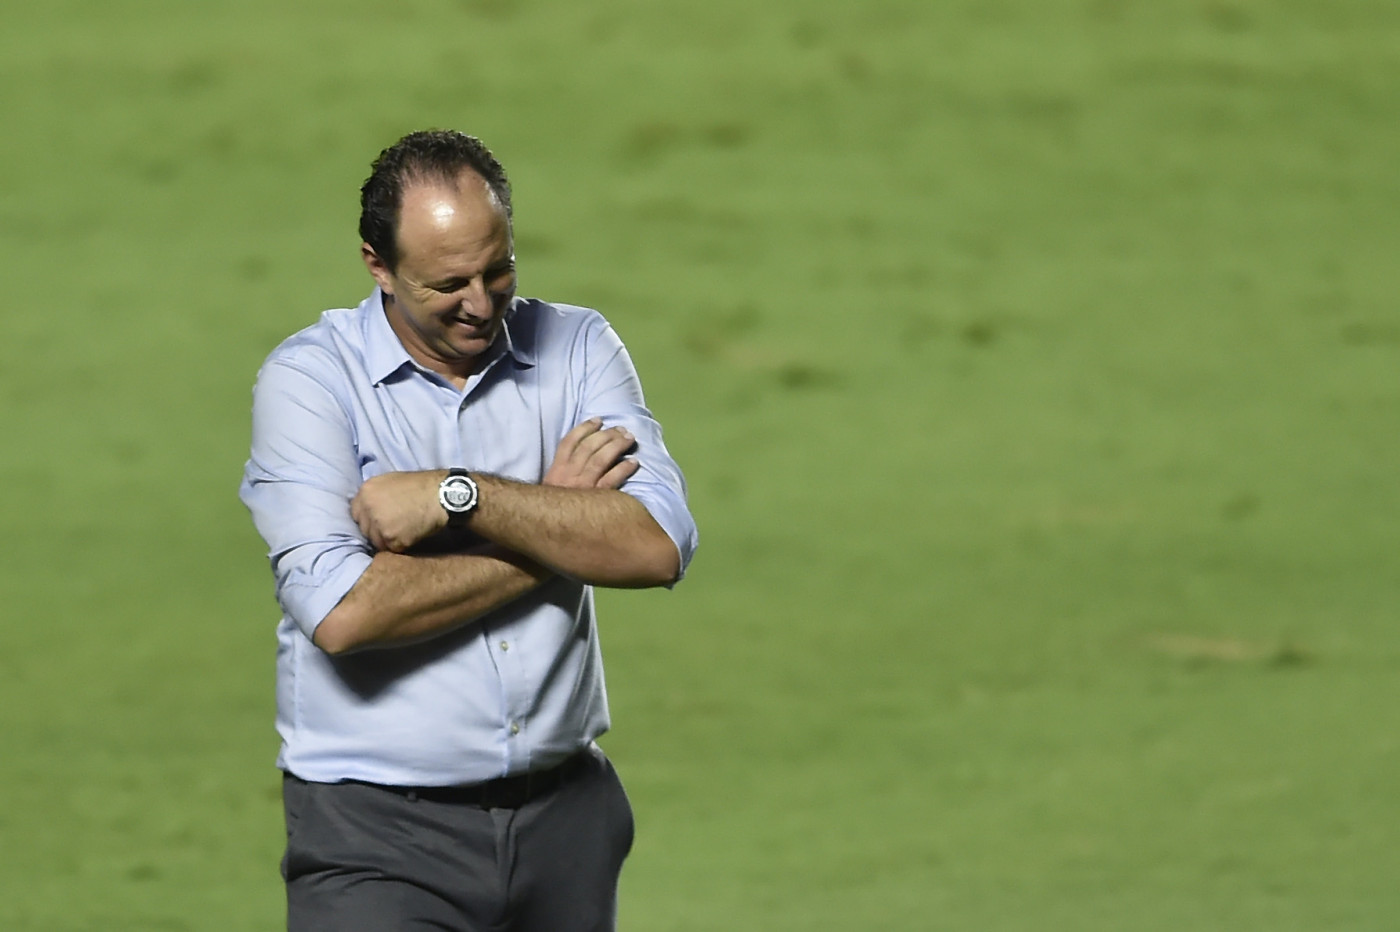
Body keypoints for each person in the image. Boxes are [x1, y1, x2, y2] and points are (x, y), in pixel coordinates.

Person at [239, 129, 698, 931]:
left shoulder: (579, 346)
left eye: (498, 270)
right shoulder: (310, 383)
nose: (481, 304)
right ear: (377, 266)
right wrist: (555, 524)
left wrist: (462, 499)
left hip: (567, 823)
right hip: (375, 836)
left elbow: (654, 546)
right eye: (448, 282)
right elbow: (345, 615)